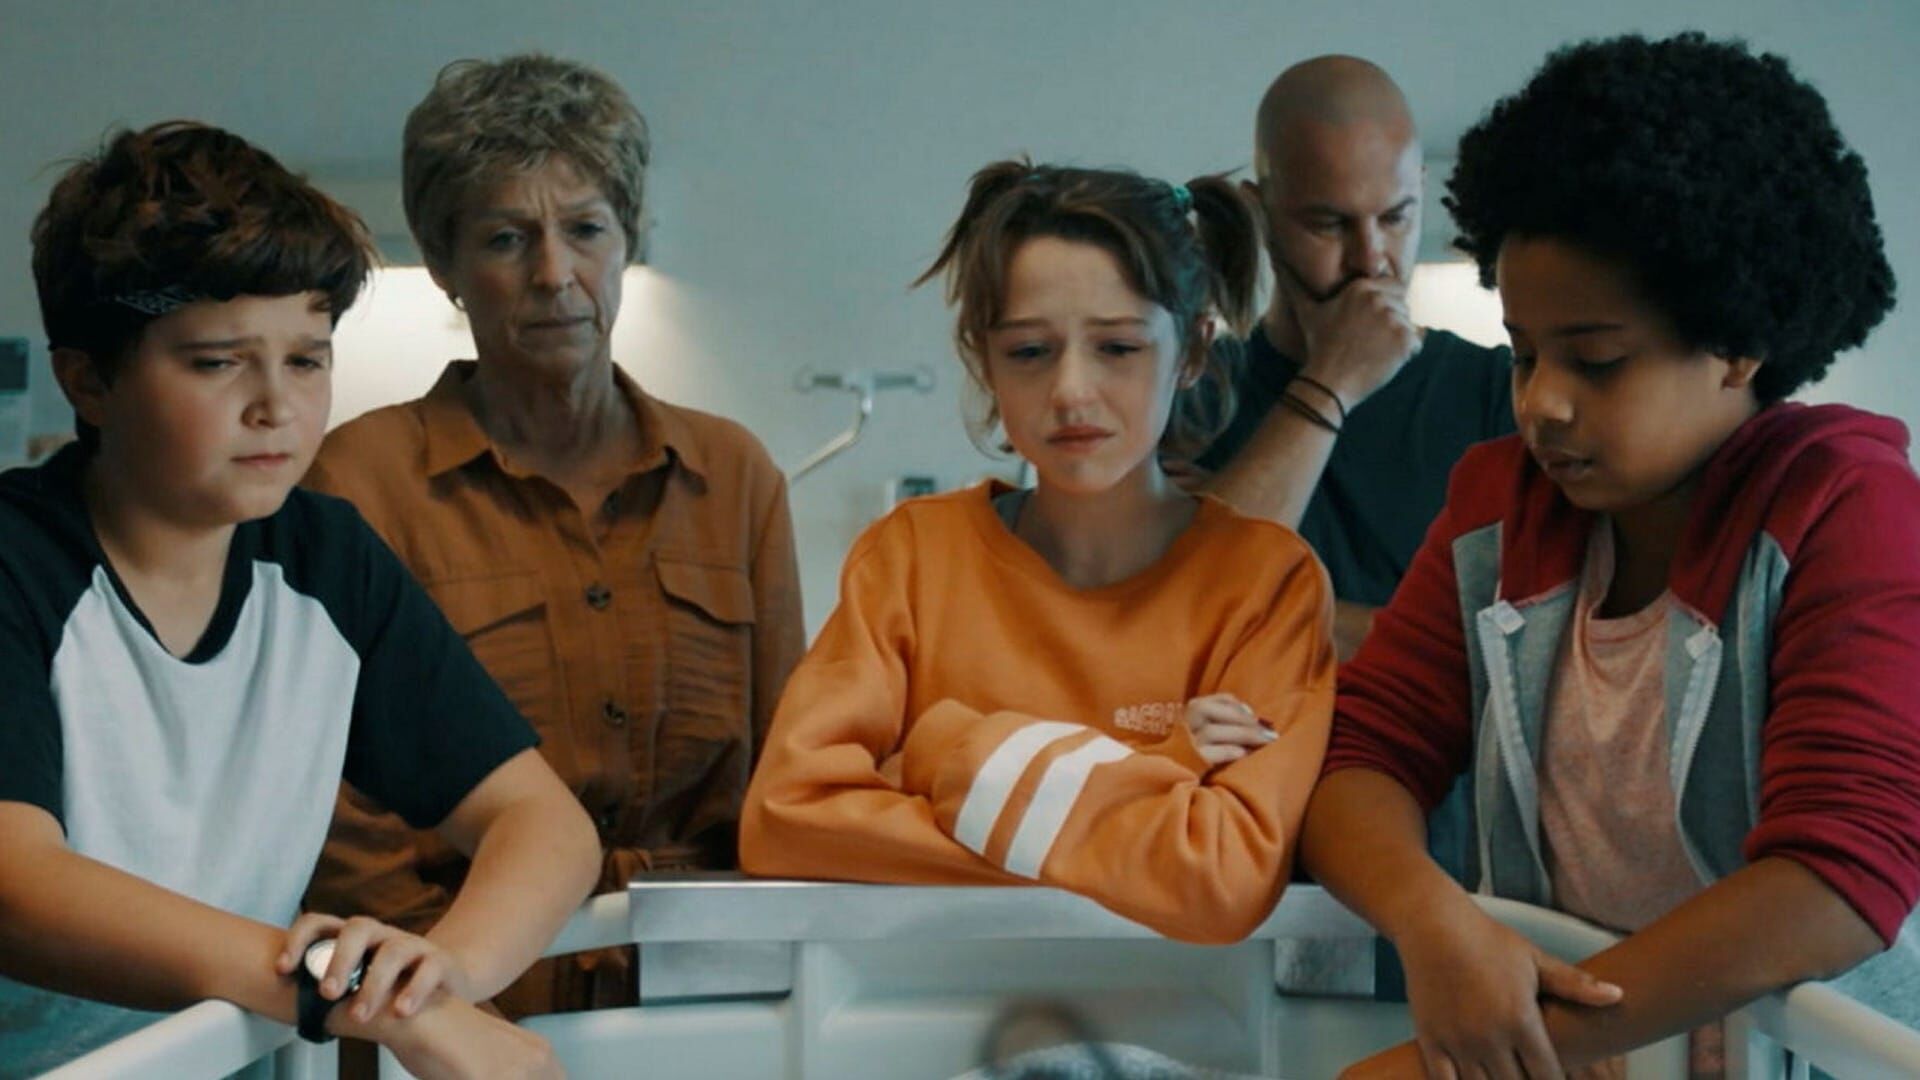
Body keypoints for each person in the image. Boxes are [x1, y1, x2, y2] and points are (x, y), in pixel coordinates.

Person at [1301, 33, 1920, 1078]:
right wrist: (1432, 920)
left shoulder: (1844, 509)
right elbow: (1362, 755)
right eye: (1524, 352)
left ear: (1738, 345)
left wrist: (1484, 1054)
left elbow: (1839, 875)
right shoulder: (1498, 513)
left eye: (1596, 361)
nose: (1542, 402)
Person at [0, 121, 599, 1077]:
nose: (276, 406)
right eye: (217, 362)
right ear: (88, 380)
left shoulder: (326, 562)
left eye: (308, 359)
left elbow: (541, 822)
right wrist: (342, 987)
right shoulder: (16, 564)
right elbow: (17, 888)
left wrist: (431, 982)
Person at [303, 53, 805, 1020]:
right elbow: (332, 816)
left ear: (627, 239)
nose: (553, 275)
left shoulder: (733, 476)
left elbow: (788, 770)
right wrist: (449, 1001)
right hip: (453, 1000)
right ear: (444, 265)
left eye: (585, 229)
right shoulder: (360, 484)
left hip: (707, 997)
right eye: (506, 238)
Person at [740, 161, 1335, 942]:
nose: (1071, 391)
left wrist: (942, 752)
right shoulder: (912, 557)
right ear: (982, 357)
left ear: (1192, 350)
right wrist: (1158, 771)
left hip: (1178, 1013)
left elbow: (1219, 874)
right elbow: (787, 816)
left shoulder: (1268, 583)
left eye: (1117, 347)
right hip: (924, 1008)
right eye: (1029, 351)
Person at [1193, 55, 1515, 662]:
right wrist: (1332, 380)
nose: (1371, 259)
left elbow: (1515, 654)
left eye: (1395, 217)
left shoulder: (1501, 391)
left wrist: (1280, 620)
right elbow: (1189, 612)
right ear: (1260, 213)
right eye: (1328, 224)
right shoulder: (1192, 397)